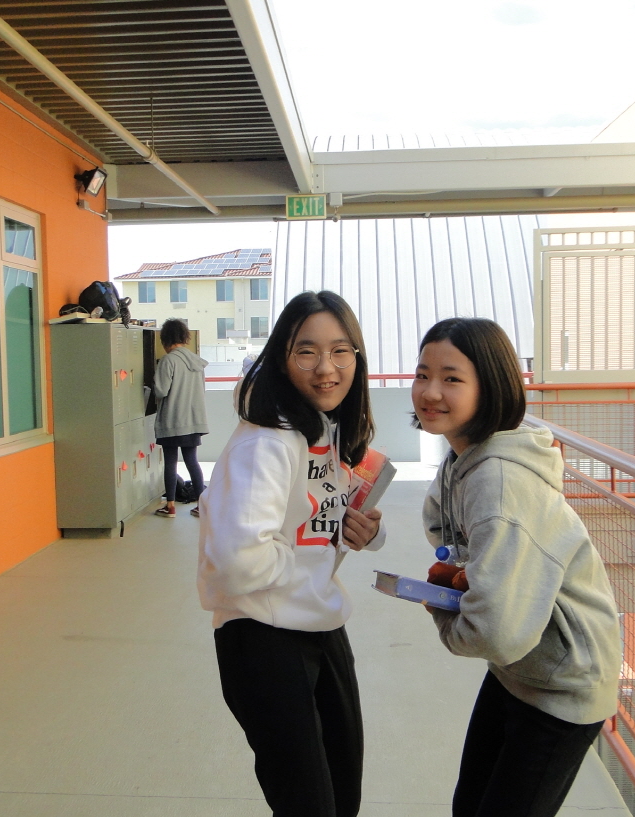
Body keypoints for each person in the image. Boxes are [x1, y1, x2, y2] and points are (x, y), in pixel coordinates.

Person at [412, 317, 621, 817]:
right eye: (423, 374)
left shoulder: (499, 482)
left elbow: (498, 633)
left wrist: (446, 613)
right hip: (522, 669)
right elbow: (443, 527)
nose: (431, 391)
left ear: (490, 387)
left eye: (452, 378)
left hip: (564, 682)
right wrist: (472, 577)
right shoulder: (464, 457)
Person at [197, 290, 384, 817]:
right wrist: (298, 561)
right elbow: (237, 561)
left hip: (319, 624)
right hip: (263, 636)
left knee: (341, 795)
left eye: (341, 351)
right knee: (309, 803)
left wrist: (356, 530)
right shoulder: (267, 442)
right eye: (307, 351)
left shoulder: (323, 428)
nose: (326, 368)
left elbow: (307, 523)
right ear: (282, 358)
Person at [153, 318, 208, 518]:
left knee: (170, 462)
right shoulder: (197, 362)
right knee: (192, 461)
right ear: (185, 337)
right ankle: (202, 506)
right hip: (193, 420)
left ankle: (170, 506)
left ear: (165, 339)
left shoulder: (168, 361)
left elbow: (161, 390)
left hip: (173, 420)